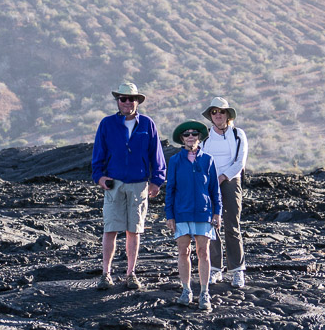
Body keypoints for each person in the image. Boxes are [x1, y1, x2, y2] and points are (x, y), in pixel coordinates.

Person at [91, 82, 167, 291]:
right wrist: (99, 178)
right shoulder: (106, 124)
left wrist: (157, 181)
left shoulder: (148, 124)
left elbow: (156, 155)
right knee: (111, 230)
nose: (127, 102)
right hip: (114, 184)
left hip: (139, 184)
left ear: (137, 101)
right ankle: (105, 274)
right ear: (118, 101)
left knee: (134, 231)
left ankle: (130, 273)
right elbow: (98, 154)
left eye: (131, 98)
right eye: (123, 98)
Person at [164, 119, 222, 311]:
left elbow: (215, 190)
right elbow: (170, 189)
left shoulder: (208, 160)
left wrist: (217, 212)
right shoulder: (174, 161)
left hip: (203, 213)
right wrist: (169, 215)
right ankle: (186, 290)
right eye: (187, 134)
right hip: (181, 213)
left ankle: (204, 293)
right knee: (183, 251)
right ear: (182, 139)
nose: (190, 137)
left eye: (194, 134)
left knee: (203, 252)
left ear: (199, 137)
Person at [201, 96, 249, 288]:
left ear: (228, 114)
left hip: (230, 182)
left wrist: (223, 177)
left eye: (221, 111)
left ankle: (237, 270)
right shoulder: (205, 138)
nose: (218, 115)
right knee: (212, 226)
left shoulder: (238, 134)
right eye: (214, 112)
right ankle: (215, 269)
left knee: (232, 226)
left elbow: (240, 162)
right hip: (209, 183)